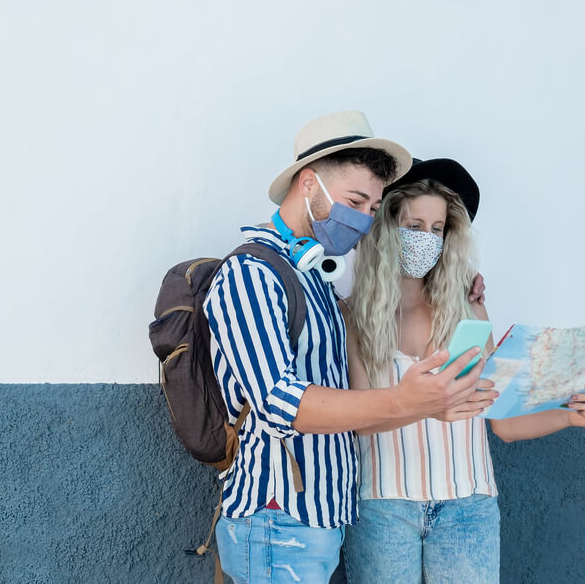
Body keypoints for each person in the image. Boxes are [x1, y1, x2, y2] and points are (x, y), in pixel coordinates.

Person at [203, 113, 493, 583]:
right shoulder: (252, 274)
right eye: (355, 201)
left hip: (319, 518)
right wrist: (406, 399)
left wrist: (428, 406)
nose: (362, 220)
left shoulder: (313, 278)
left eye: (374, 208)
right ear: (308, 184)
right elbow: (280, 403)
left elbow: (354, 405)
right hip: (278, 517)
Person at [342, 158, 585, 583]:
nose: (426, 239)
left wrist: (571, 415)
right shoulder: (353, 318)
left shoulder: (469, 308)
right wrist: (431, 404)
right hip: (382, 510)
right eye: (413, 226)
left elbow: (502, 421)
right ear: (385, 229)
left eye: (437, 229)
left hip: (469, 510)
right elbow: (361, 421)